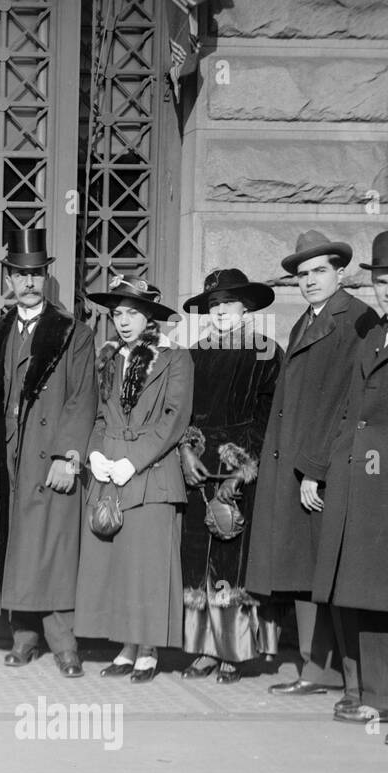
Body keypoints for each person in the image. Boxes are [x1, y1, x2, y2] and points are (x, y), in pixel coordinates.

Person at [246, 231, 376, 698]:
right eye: (302, 275)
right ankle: (315, 669)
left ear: (340, 273)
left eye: (320, 270)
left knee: (328, 571)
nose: (310, 281)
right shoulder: (310, 318)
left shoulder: (356, 319)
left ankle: (350, 679)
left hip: (320, 467)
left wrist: (315, 468)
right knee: (303, 571)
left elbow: (349, 400)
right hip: (297, 464)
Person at [313, 229, 388, 746]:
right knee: (369, 596)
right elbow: (350, 412)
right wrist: (330, 468)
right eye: (382, 282)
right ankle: (382, 699)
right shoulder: (373, 335)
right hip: (360, 483)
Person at [0, 229, 97, 677]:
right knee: (15, 544)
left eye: (36, 275)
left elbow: (83, 398)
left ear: (46, 277)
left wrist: (68, 456)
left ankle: (64, 645)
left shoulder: (71, 333)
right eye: (20, 275)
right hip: (4, 456)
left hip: (47, 457)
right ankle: (22, 638)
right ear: (8, 279)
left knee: (50, 550)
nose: (28, 283)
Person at [75, 276, 192, 682]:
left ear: (150, 317)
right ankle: (125, 646)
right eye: (118, 313)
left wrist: (134, 461)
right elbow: (98, 415)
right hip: (110, 468)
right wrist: (94, 454)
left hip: (152, 473)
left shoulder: (175, 359)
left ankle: (148, 650)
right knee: (118, 565)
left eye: (133, 313)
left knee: (148, 565)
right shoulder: (108, 358)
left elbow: (173, 420)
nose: (124, 321)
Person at [177, 269, 281, 682]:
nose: (219, 311)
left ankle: (232, 652)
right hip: (197, 470)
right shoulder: (194, 353)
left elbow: (268, 417)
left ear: (246, 307)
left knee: (230, 561)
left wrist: (243, 471)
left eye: (227, 303)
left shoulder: (266, 352)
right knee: (197, 561)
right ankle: (202, 650)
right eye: (213, 305)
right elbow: (181, 410)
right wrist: (185, 450)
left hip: (238, 471)